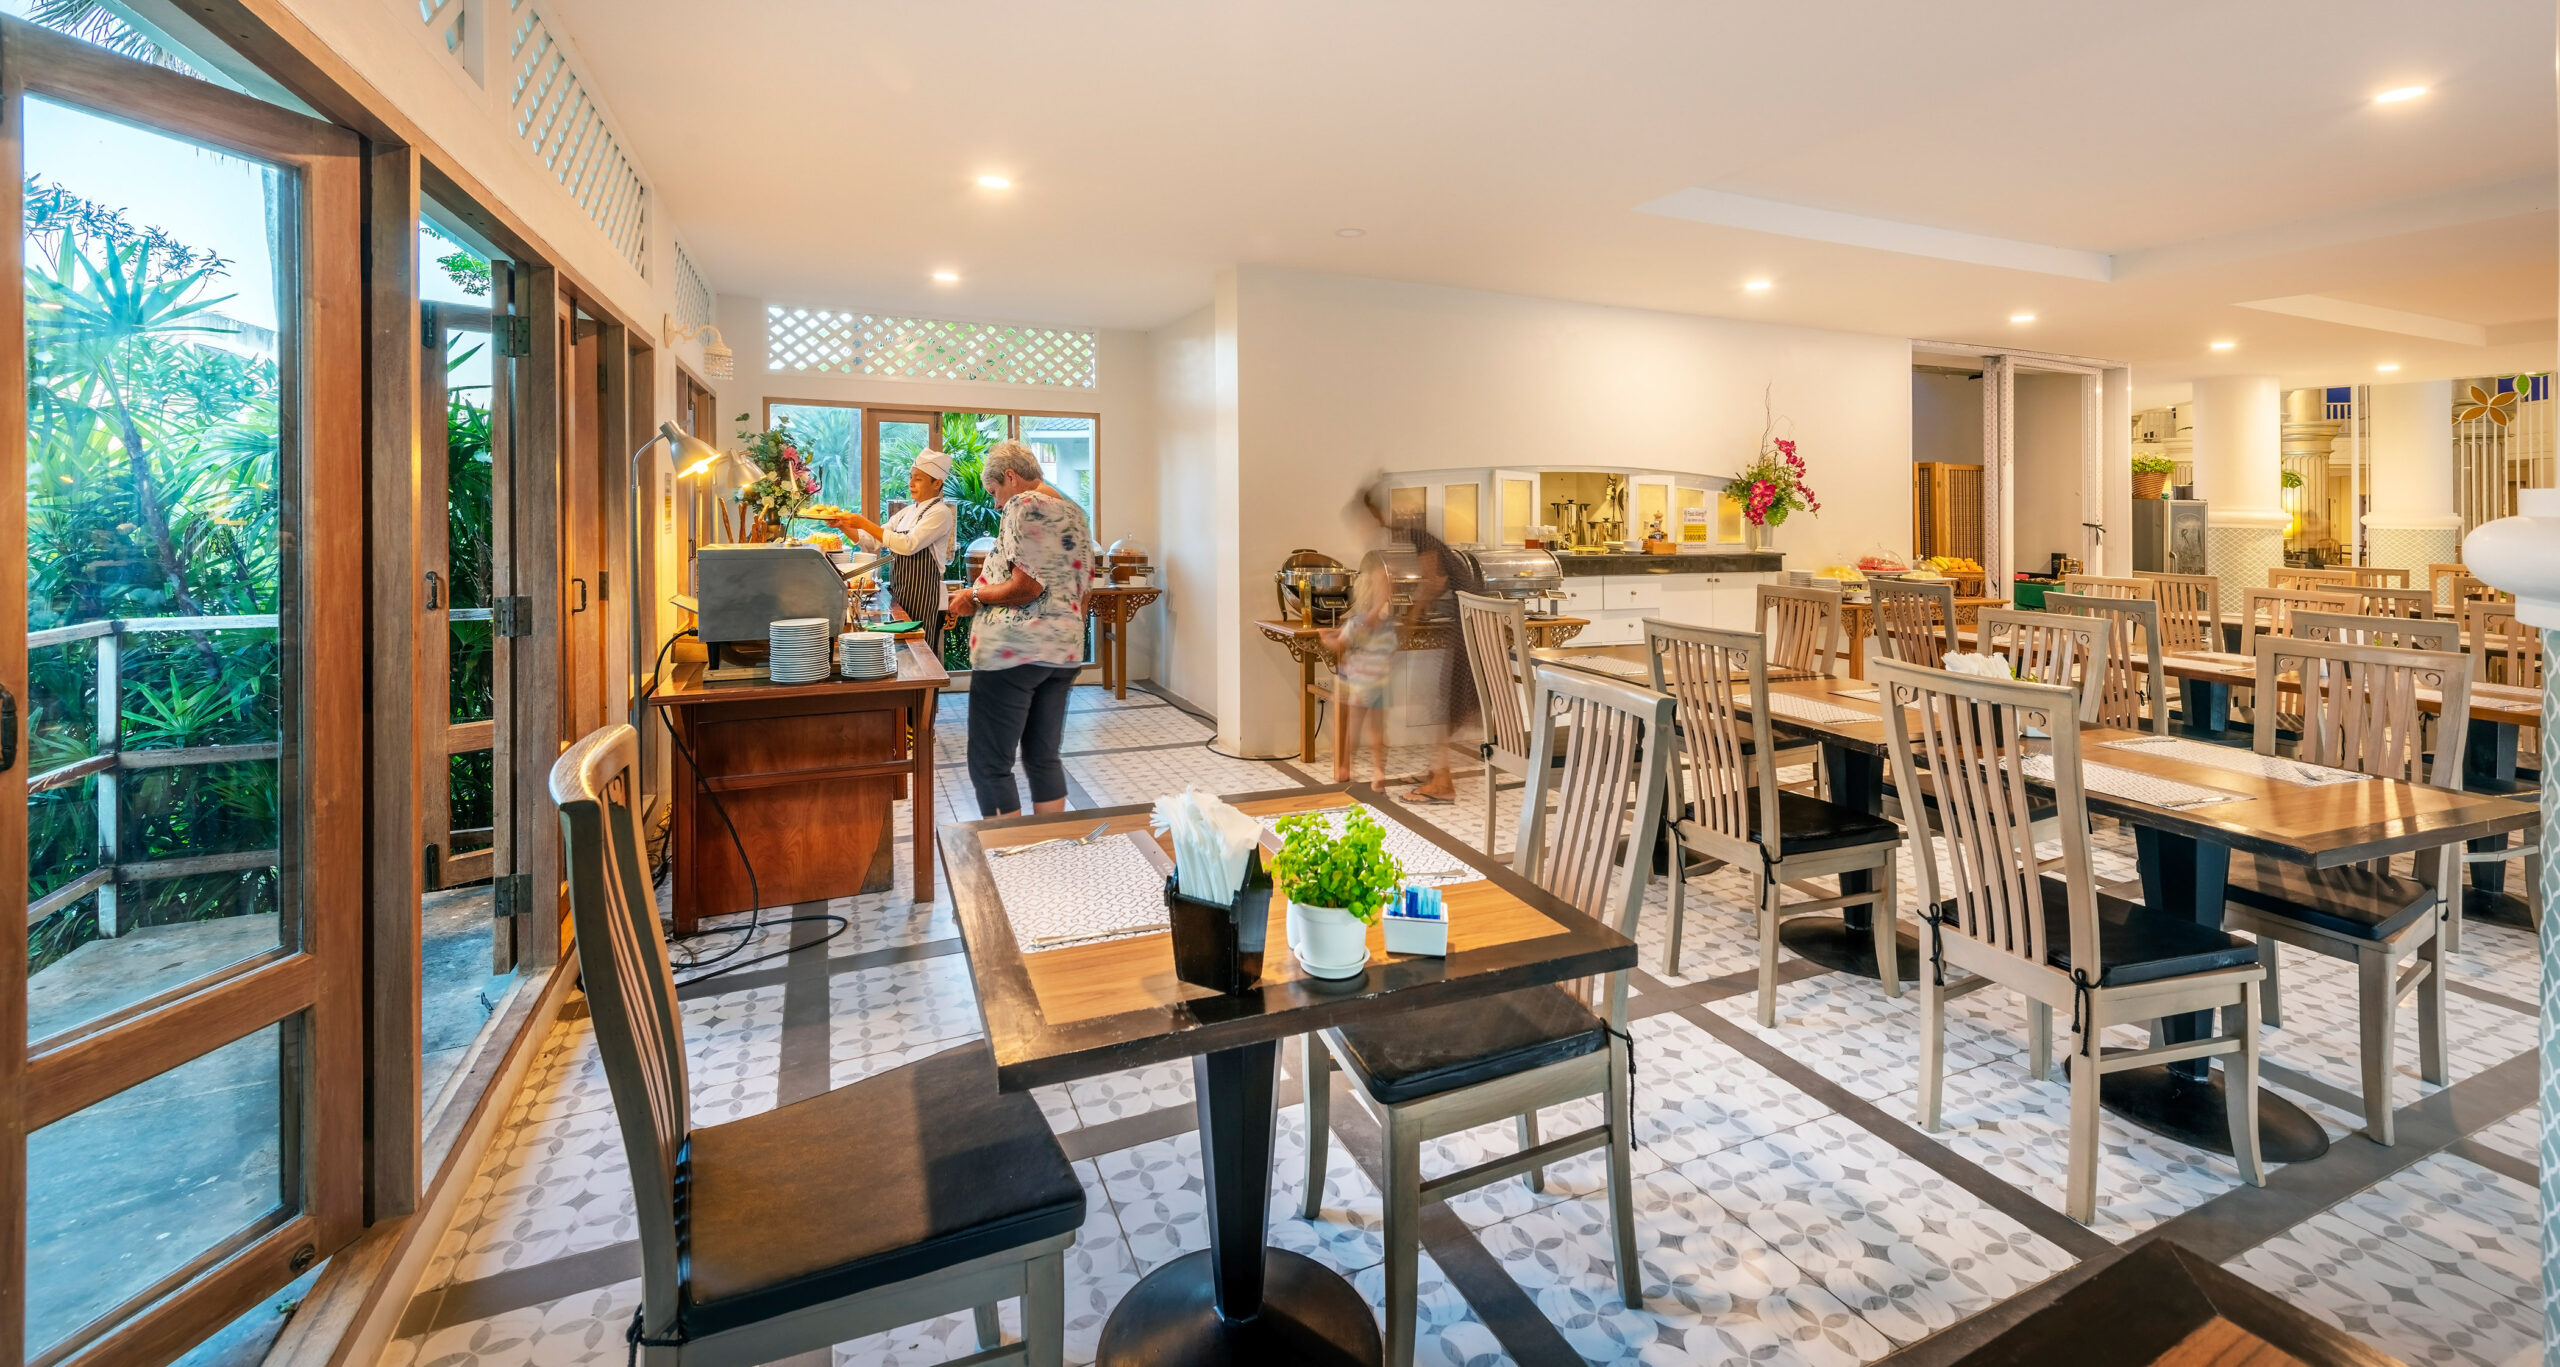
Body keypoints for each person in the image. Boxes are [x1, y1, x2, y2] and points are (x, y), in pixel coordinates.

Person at [949, 442, 1091, 817]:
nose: (996, 503)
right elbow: (1082, 590)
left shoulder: (1022, 504)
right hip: (1064, 651)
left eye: (995, 492)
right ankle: (1049, 844)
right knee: (1043, 757)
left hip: (1013, 653)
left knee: (990, 764)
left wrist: (974, 595)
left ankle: (1009, 855)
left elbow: (1028, 586)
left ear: (1011, 477)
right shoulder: (1076, 513)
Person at [1354, 480, 1481, 803]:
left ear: (1380, 514)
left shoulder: (1417, 535)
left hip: (1466, 623)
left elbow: (1434, 582)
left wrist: (1410, 619)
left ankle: (1442, 783)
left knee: (1446, 701)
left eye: (1368, 519)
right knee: (1442, 699)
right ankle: (1436, 771)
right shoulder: (1415, 534)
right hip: (1465, 619)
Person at [822, 451, 956, 652]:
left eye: (918, 479)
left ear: (937, 483)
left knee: (921, 651)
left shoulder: (940, 513)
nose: (911, 483)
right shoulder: (907, 513)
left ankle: (926, 685)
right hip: (901, 592)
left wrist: (864, 522)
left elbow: (908, 544)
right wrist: (843, 525)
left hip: (924, 596)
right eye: (911, 478)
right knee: (903, 652)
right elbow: (872, 542)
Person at [1320, 569, 1398, 784]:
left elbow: (1340, 644)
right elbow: (1391, 650)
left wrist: (1325, 637)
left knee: (1352, 727)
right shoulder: (1388, 625)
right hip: (1380, 683)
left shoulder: (1355, 623)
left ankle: (1346, 768)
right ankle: (1378, 771)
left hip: (1358, 685)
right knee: (1377, 731)